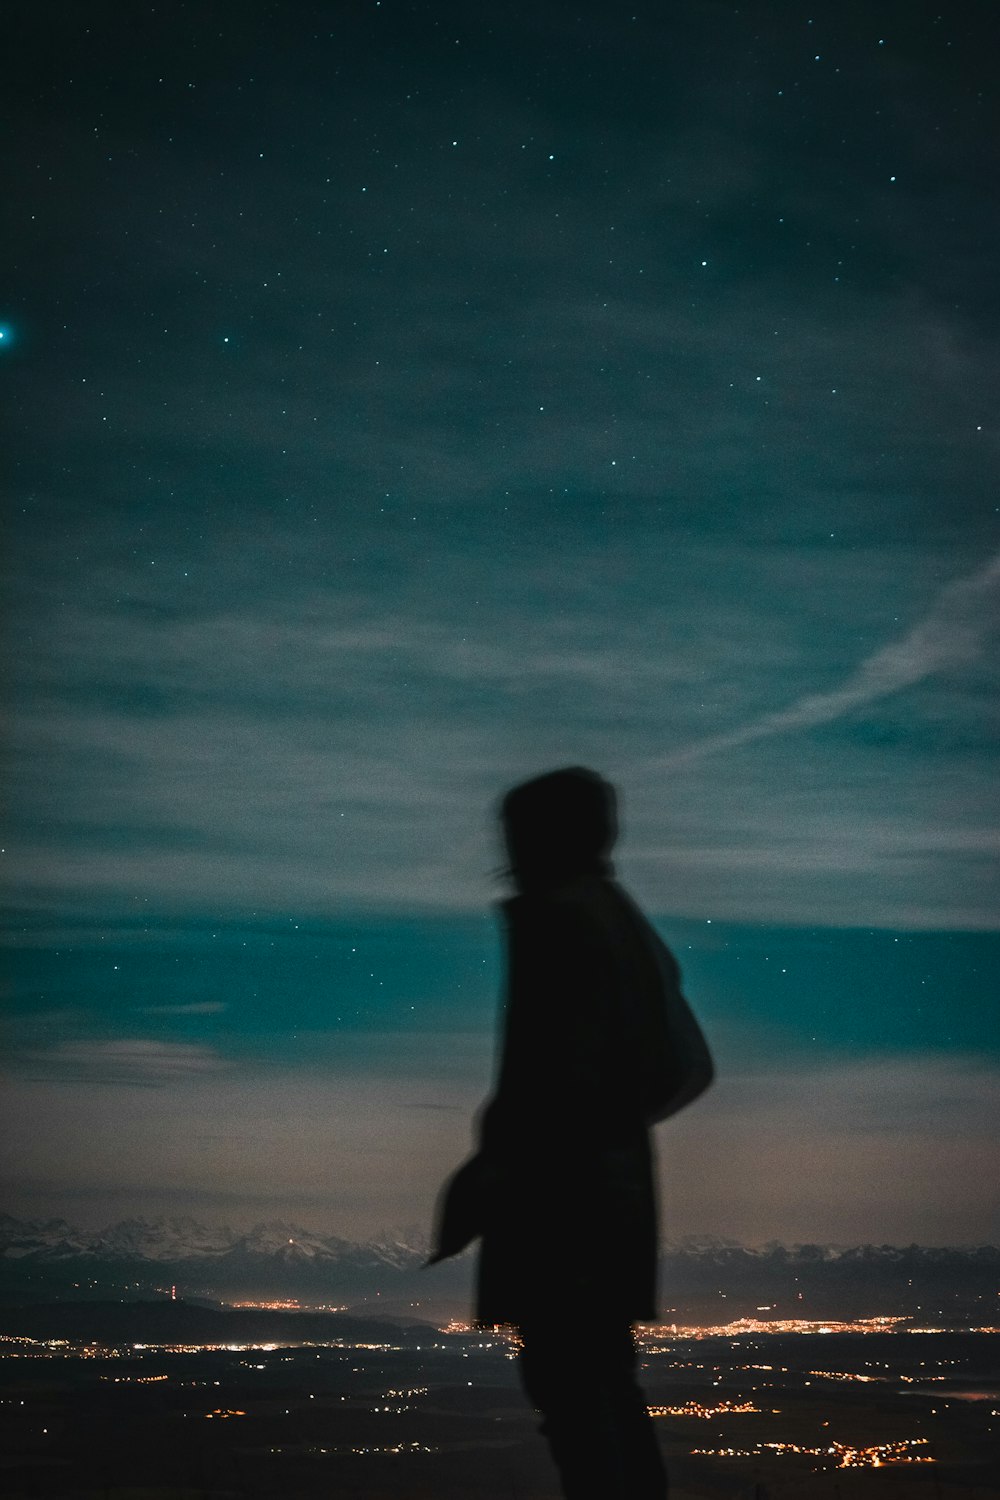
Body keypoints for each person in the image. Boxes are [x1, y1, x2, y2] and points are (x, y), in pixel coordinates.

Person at [429, 767, 714, 1500]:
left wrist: (505, 1171)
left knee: (573, 1392)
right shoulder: (620, 921)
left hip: (560, 1206)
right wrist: (610, 1131)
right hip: (605, 1198)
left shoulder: (563, 920)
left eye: (518, 834)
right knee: (600, 1385)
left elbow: (550, 1083)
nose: (509, 853)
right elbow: (683, 1067)